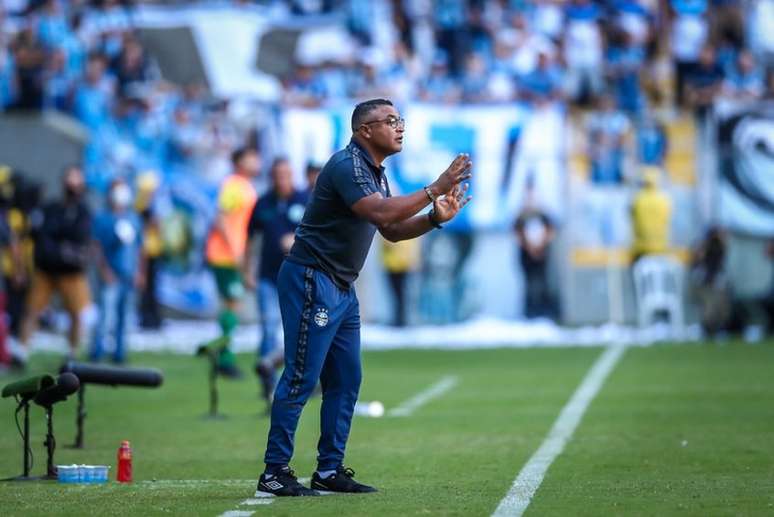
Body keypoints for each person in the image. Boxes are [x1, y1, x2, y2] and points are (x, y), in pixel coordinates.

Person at [257, 98, 472, 497]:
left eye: (400, 119)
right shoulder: (346, 165)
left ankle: (329, 469)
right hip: (312, 278)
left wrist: (432, 219)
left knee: (346, 378)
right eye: (390, 120)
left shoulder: (375, 171)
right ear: (364, 131)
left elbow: (390, 230)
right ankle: (274, 471)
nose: (399, 126)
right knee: (303, 375)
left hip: (340, 285)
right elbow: (380, 213)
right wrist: (435, 188)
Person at [244, 158, 309, 404]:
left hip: (296, 276)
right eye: (278, 174)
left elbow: (318, 231)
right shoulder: (262, 203)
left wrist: (297, 239)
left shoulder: (305, 201)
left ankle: (289, 382)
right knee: (269, 326)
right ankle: (268, 382)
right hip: (268, 277)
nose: (282, 179)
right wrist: (247, 270)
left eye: (286, 174)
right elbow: (250, 239)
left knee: (295, 330)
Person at [16, 165, 92, 368]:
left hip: (71, 273)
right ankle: (22, 352)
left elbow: (78, 239)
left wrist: (59, 246)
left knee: (75, 313)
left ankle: (72, 353)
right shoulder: (52, 208)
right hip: (47, 270)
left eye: (77, 180)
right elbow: (40, 235)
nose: (72, 185)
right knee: (32, 310)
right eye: (70, 179)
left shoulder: (83, 212)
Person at [204, 146, 261, 378]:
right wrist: (235, 250)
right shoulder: (233, 184)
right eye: (250, 157)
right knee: (232, 303)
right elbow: (221, 217)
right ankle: (224, 358)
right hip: (225, 255)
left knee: (232, 304)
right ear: (239, 161)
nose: (256, 162)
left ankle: (223, 354)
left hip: (233, 254)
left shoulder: (245, 186)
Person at [90, 178, 143, 364]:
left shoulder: (133, 218)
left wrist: (139, 272)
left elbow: (139, 248)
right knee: (106, 315)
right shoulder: (102, 218)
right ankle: (97, 352)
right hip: (111, 275)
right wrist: (104, 270)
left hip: (129, 275)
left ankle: (120, 353)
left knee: (124, 316)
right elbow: (96, 246)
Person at [514, 176, 557, 320]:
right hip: (527, 256)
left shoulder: (544, 214)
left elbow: (551, 231)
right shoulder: (521, 215)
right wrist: (530, 248)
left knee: (543, 283)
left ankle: (544, 313)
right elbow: (517, 234)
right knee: (529, 284)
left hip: (542, 254)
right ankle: (530, 314)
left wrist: (541, 246)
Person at [630, 167, 672, 263]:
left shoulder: (638, 199)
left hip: (641, 247)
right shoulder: (664, 200)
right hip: (661, 247)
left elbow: (631, 215)